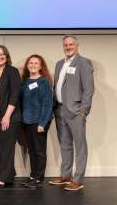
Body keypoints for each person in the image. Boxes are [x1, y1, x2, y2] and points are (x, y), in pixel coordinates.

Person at [49, 36, 94, 191]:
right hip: (60, 110)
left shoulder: (83, 63)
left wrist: (84, 111)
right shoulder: (59, 64)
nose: (68, 47)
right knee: (65, 144)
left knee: (80, 145)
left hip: (76, 112)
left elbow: (89, 89)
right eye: (65, 45)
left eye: (71, 44)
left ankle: (78, 179)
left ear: (77, 45)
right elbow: (57, 87)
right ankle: (66, 175)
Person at [0, 45, 21, 188]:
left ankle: (3, 177)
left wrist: (7, 116)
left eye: (2, 54)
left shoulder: (12, 71)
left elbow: (15, 95)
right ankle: (7, 172)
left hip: (9, 114)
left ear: (7, 57)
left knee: (6, 146)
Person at [20, 54, 53, 188]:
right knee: (32, 150)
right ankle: (33, 175)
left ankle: (39, 177)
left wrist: (42, 123)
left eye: (36, 63)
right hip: (27, 121)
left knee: (39, 150)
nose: (33, 65)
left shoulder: (44, 81)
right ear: (27, 66)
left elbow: (47, 104)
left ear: (40, 66)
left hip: (39, 121)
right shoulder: (25, 81)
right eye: (30, 63)